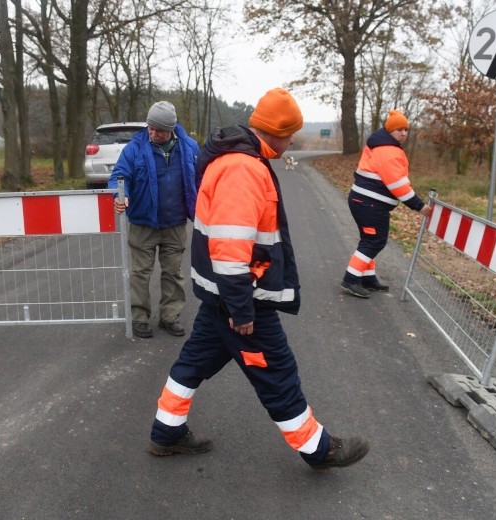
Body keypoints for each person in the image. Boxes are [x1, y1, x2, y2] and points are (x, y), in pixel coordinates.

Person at [145, 88, 370, 470]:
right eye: (290, 133)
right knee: (276, 371)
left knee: (193, 363)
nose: (294, 140)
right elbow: (232, 247)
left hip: (223, 297)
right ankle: (318, 448)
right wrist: (241, 308)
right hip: (241, 298)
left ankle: (166, 431)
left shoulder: (237, 159)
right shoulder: (243, 168)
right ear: (274, 131)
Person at [109, 101, 200, 339]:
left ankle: (170, 317)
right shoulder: (134, 148)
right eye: (150, 127)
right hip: (142, 223)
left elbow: (201, 178)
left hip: (175, 223)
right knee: (140, 273)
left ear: (171, 128)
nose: (153, 133)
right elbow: (119, 176)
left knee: (173, 272)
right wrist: (121, 195)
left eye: (158, 129)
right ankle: (139, 318)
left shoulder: (189, 147)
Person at [340, 110, 433, 298]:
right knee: (375, 241)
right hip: (370, 204)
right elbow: (398, 185)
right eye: (399, 129)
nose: (403, 133)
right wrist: (419, 205)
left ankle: (367, 278)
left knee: (370, 240)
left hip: (366, 202)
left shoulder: (383, 146)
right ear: (389, 130)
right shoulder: (388, 151)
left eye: (406, 129)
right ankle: (351, 279)